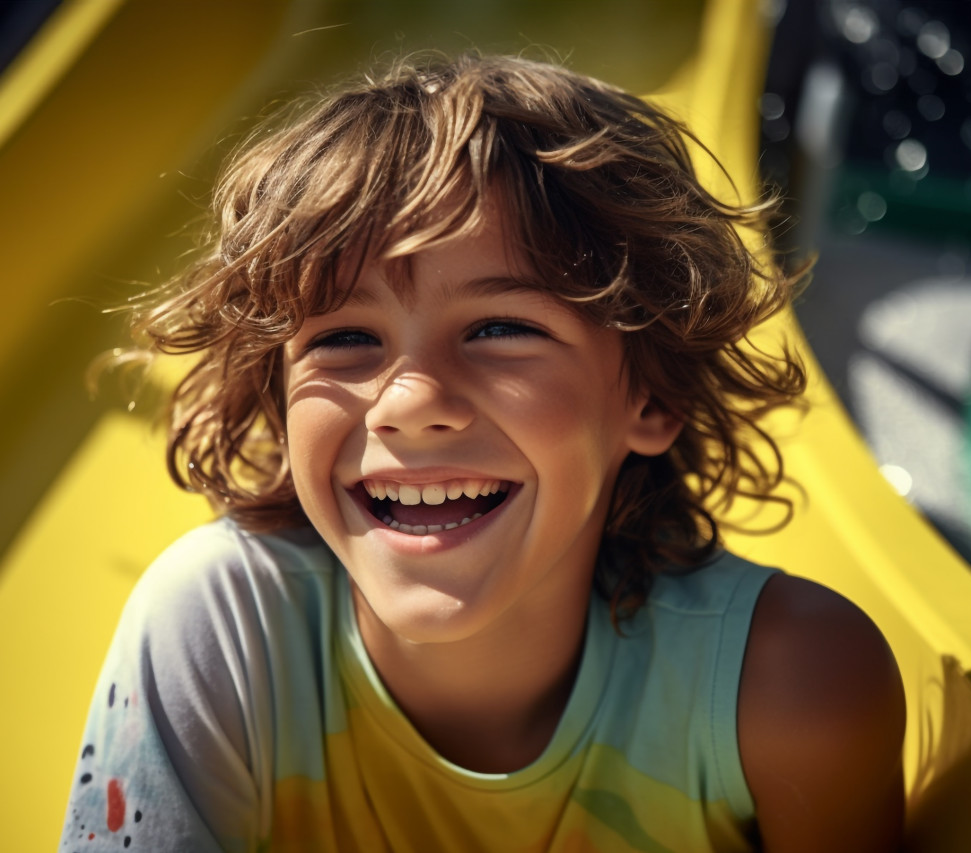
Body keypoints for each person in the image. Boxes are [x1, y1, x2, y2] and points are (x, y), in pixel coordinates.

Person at [60, 52, 906, 852]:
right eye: (345, 338)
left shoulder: (787, 688)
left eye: (501, 329)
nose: (410, 403)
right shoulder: (224, 630)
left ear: (651, 397)